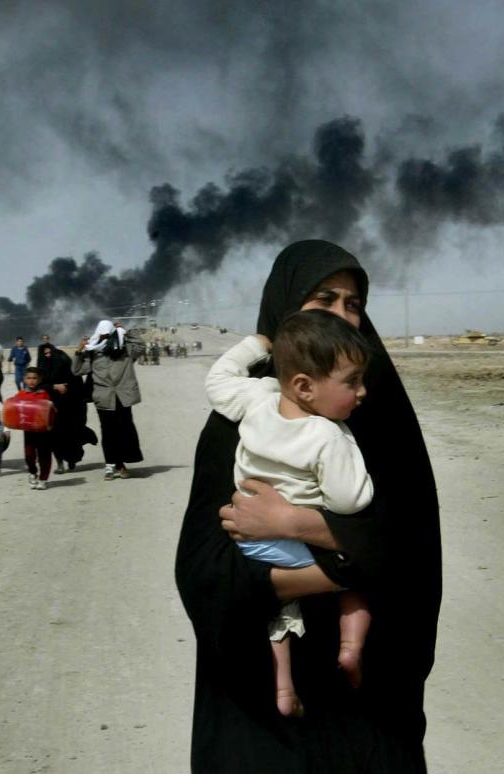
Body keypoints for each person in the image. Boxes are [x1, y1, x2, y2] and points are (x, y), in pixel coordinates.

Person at [175, 240, 442, 772]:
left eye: (354, 303)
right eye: (324, 299)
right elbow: (204, 572)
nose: (344, 315)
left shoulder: (381, 417)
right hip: (261, 710)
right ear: (285, 310)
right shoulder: (240, 423)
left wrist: (301, 527)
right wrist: (353, 559)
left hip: (370, 705)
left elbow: (414, 552)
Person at [205, 309, 374, 718]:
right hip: (300, 549)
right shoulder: (327, 435)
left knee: (277, 613)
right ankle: (351, 648)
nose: (363, 392)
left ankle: (283, 689)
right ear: (304, 386)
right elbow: (350, 501)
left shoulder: (257, 400)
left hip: (250, 544)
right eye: (352, 382)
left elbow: (218, 382)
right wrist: (349, 445)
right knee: (362, 573)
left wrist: (254, 346)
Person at [73, 320, 143, 480]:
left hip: (123, 397)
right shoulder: (93, 353)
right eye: (102, 335)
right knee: (108, 432)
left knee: (125, 430)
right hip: (104, 399)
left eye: (108, 335)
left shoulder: (125, 351)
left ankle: (121, 463)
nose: (105, 338)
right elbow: (77, 370)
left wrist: (125, 331)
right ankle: (111, 465)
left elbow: (140, 346)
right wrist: (79, 350)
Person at [36, 341, 89, 474]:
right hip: (53, 408)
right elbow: (39, 386)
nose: (48, 356)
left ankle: (71, 460)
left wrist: (68, 388)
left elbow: (77, 381)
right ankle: (60, 464)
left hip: (71, 406)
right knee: (54, 437)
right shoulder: (41, 369)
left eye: (50, 352)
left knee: (71, 434)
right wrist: (54, 386)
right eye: (45, 354)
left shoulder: (65, 363)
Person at [14, 366, 53, 490]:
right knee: (29, 455)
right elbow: (15, 409)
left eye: (34, 378)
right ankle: (32, 472)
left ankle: (43, 478)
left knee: (44, 455)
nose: (31, 381)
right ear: (24, 379)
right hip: (29, 431)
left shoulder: (44, 394)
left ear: (39, 379)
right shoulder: (21, 394)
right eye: (29, 378)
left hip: (43, 431)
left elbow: (48, 411)